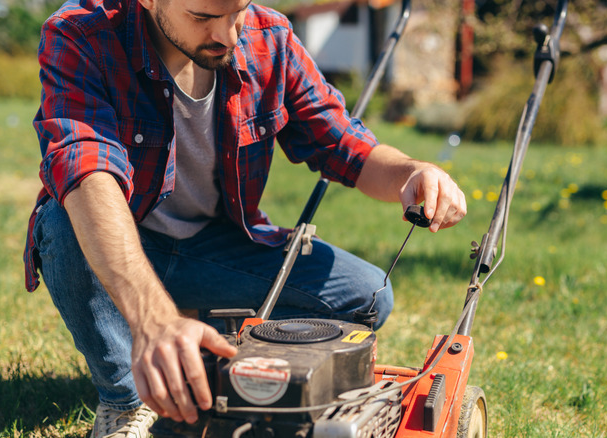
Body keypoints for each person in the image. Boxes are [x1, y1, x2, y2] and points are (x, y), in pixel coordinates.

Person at [24, 0, 467, 436]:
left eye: (236, 11)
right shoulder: (81, 33)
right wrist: (154, 320)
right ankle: (126, 401)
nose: (227, 35)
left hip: (214, 246)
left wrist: (413, 172)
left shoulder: (267, 36)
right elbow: (87, 172)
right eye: (203, 17)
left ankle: (204, 351)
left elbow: (344, 144)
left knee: (368, 295)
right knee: (64, 222)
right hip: (112, 243)